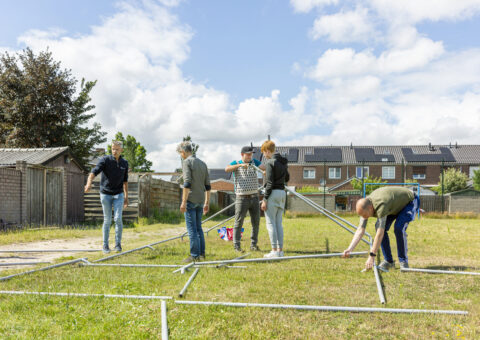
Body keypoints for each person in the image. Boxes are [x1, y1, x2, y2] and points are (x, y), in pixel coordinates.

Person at [342, 186, 420, 271]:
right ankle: (388, 261)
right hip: (393, 205)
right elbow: (360, 230)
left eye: (365, 215)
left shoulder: (381, 205)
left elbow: (380, 233)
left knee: (398, 228)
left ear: (370, 208)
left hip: (410, 201)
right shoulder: (366, 205)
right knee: (378, 226)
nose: (364, 218)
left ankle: (403, 262)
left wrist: (372, 256)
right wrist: (350, 249)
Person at [85, 141, 129, 254]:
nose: (114, 151)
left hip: (119, 194)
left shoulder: (125, 163)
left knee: (118, 218)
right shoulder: (105, 160)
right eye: (113, 149)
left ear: (121, 150)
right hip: (105, 194)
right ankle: (105, 245)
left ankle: (118, 245)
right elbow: (93, 172)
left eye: (117, 149)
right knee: (107, 220)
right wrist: (89, 183)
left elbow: (125, 181)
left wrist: (126, 197)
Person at [225, 146, 266, 253]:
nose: (250, 156)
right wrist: (240, 165)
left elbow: (264, 167)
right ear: (242, 154)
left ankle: (253, 245)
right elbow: (227, 169)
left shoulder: (254, 162)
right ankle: (237, 246)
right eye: (248, 154)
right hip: (241, 198)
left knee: (256, 222)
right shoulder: (236, 162)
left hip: (254, 197)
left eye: (251, 154)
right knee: (238, 222)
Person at [177, 141, 211, 263]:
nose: (181, 156)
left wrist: (183, 201)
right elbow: (208, 186)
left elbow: (187, 183)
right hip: (201, 200)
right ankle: (202, 254)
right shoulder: (203, 164)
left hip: (191, 200)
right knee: (199, 228)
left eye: (180, 153)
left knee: (192, 229)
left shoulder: (187, 162)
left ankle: (194, 255)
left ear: (184, 152)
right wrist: (207, 202)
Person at [260, 140, 289, 258]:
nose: (264, 155)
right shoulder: (283, 163)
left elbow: (270, 182)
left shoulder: (270, 162)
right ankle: (280, 251)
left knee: (270, 223)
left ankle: (273, 251)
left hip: (273, 194)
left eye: (263, 153)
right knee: (278, 223)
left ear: (267, 151)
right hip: (282, 193)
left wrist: (265, 199)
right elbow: (287, 177)